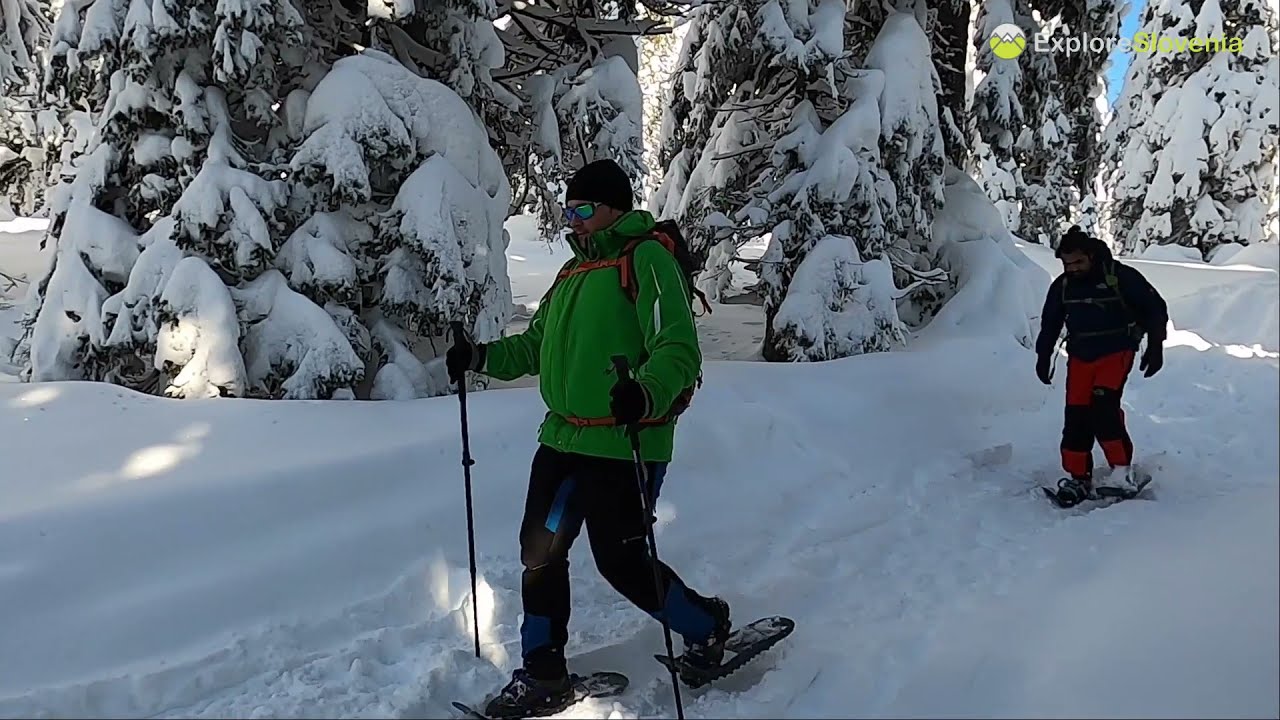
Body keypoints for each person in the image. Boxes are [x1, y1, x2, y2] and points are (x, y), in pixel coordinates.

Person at [445, 158, 730, 718]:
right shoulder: (572, 275)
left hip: (624, 446)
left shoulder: (645, 259)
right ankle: (544, 673)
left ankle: (707, 625)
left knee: (621, 564)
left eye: (582, 209)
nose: (572, 221)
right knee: (539, 554)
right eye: (567, 210)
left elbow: (677, 346)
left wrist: (644, 393)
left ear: (612, 208)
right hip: (561, 441)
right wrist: (479, 357)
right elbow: (534, 347)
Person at [1035, 226, 1169, 507]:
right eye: (1067, 263)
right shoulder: (1062, 287)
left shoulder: (1119, 277)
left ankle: (1121, 472)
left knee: (1103, 408)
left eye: (1078, 262)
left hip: (1117, 351)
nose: (1072, 268)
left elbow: (1155, 308)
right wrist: (1043, 355)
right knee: (1076, 415)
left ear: (1091, 256)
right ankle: (1078, 476)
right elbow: (1050, 323)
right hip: (1081, 356)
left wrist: (1155, 346)